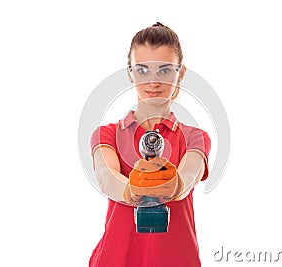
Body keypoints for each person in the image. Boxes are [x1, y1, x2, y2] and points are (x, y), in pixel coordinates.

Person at [89, 22, 211, 267]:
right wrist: (132, 189)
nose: (153, 82)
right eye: (143, 70)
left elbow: (188, 177)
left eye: (165, 71)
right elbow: (106, 176)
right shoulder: (107, 134)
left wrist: (171, 184)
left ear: (181, 73)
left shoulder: (195, 137)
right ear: (130, 72)